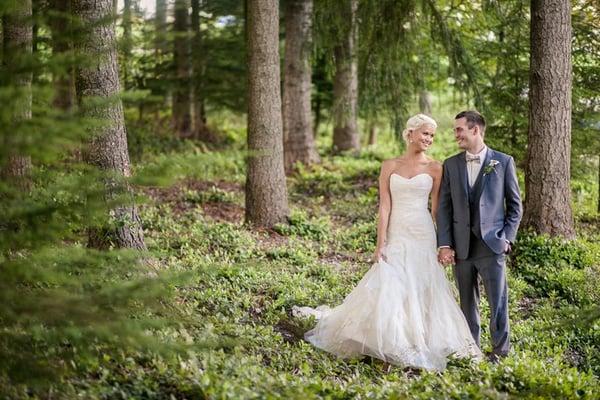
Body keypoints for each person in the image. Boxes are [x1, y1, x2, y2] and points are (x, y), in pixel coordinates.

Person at [293, 114, 481, 371]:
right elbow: (384, 207)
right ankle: (387, 338)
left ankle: (418, 338)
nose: (429, 139)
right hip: (397, 232)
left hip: (423, 233)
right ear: (411, 133)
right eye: (425, 133)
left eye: (432, 136)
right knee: (390, 281)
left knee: (421, 283)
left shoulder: (436, 168)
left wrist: (444, 243)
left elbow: (437, 210)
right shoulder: (389, 165)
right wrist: (380, 243)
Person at [436, 110, 522, 363]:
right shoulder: (450, 164)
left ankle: (500, 351)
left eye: (459, 129)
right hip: (461, 247)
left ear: (475, 130)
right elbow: (444, 207)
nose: (456, 135)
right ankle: (471, 349)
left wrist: (506, 238)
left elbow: (515, 206)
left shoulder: (503, 162)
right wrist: (444, 244)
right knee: (466, 302)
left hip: (492, 244)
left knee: (498, 301)